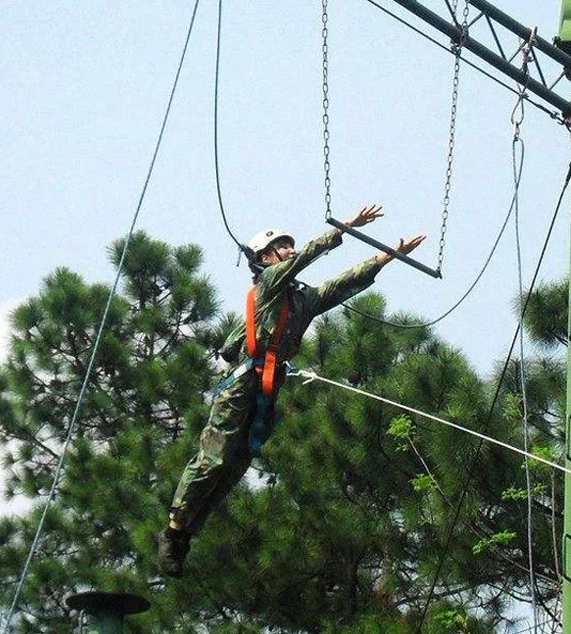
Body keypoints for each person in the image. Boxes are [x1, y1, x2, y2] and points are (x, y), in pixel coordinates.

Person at [158, 204, 425, 577]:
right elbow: (302, 263)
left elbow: (342, 283)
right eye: (283, 248)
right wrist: (345, 228)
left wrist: (387, 257)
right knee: (213, 460)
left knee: (235, 466)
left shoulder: (301, 300)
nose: (291, 251)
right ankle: (173, 531)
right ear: (266, 258)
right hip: (241, 383)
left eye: (290, 246)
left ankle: (187, 533)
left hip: (267, 387)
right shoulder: (268, 284)